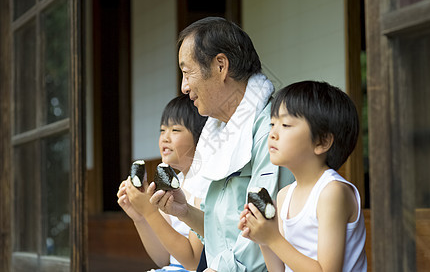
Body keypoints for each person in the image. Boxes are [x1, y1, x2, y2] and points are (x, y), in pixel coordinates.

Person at [147, 16, 295, 272]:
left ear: (220, 66)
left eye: (186, 72)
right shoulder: (218, 132)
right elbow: (222, 235)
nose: (183, 87)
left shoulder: (270, 131)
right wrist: (185, 212)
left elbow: (264, 229)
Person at [238, 81, 367, 272]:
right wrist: (262, 238)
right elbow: (278, 270)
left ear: (322, 141)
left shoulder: (332, 192)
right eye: (272, 124)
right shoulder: (284, 196)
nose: (272, 133)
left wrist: (272, 238)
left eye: (286, 124)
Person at [117, 94, 207, 271]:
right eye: (162, 130)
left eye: (175, 130)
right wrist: (140, 217)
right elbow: (162, 258)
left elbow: (193, 262)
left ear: (201, 136)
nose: (165, 138)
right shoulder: (175, 182)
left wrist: (150, 212)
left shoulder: (205, 185)